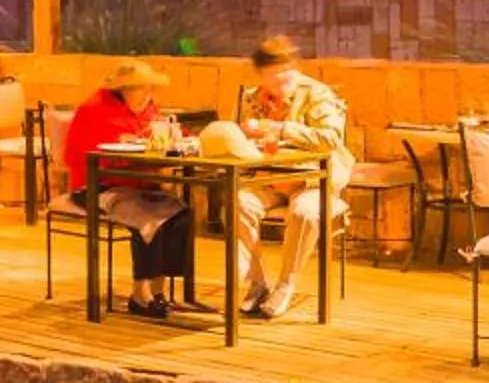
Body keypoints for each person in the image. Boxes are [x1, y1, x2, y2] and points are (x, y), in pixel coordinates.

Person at [204, 36, 353, 318]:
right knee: (238, 202)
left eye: (285, 70)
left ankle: (286, 284)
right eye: (272, 74)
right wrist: (244, 136)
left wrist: (281, 128)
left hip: (312, 178)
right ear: (261, 74)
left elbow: (332, 138)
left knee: (306, 212)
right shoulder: (253, 98)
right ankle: (257, 283)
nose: (280, 78)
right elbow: (244, 140)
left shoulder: (316, 94)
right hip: (269, 176)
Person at [61, 59, 202, 318]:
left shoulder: (147, 108)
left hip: (138, 184)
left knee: (181, 214)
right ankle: (140, 294)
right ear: (124, 89)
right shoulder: (93, 109)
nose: (148, 94)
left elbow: (160, 132)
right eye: (142, 89)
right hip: (96, 186)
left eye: (149, 88)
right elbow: (73, 156)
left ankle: (157, 291)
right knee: (147, 217)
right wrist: (116, 144)